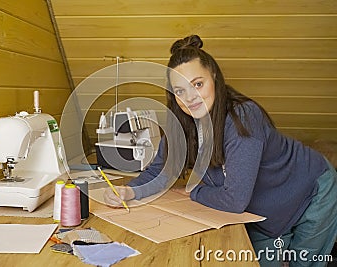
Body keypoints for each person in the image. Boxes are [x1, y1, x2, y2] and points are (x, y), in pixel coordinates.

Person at [103, 35, 337, 266]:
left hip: (312, 190)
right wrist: (129, 191)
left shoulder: (242, 118)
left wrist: (196, 192)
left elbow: (235, 200)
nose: (190, 98)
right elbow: (161, 171)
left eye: (198, 84)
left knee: (304, 262)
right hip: (263, 211)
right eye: (180, 91)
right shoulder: (182, 123)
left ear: (214, 76)